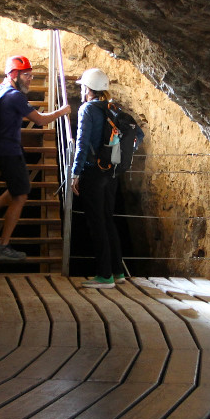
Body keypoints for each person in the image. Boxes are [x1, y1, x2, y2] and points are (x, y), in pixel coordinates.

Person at [0, 55, 71, 261]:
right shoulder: (15, 96)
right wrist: (63, 111)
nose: (30, 79)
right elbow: (41, 120)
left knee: (19, 187)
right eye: (27, 75)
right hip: (9, 151)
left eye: (31, 75)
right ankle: (2, 246)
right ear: (14, 74)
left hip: (0, 151)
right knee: (21, 196)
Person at [70, 67, 127, 288]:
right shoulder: (113, 108)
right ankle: (117, 271)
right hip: (111, 172)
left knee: (96, 223)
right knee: (108, 220)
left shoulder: (87, 110)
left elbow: (82, 144)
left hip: (93, 172)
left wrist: (75, 173)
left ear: (88, 88)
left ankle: (105, 276)